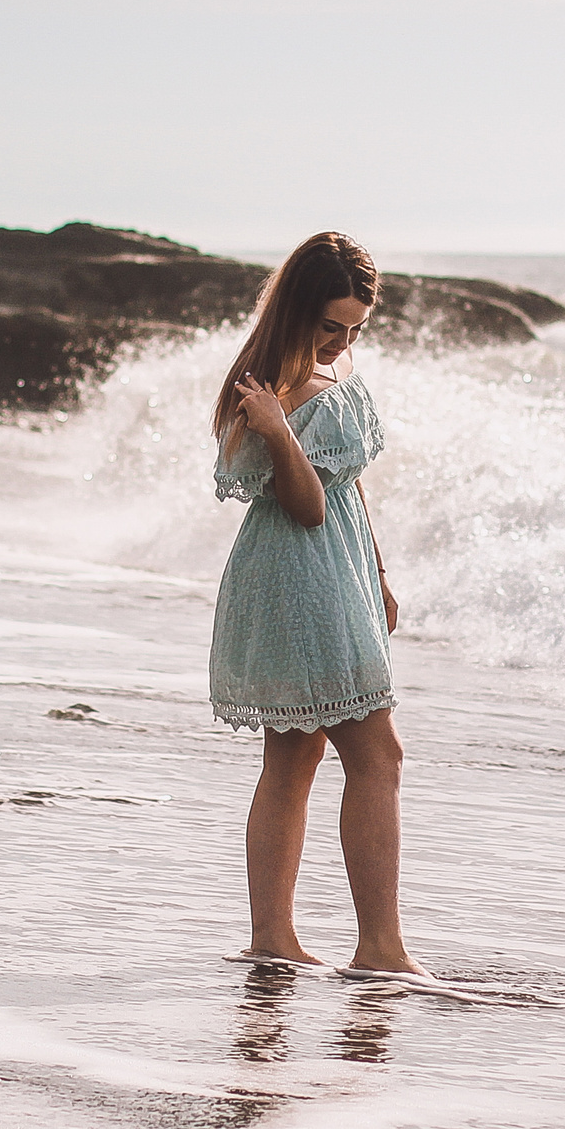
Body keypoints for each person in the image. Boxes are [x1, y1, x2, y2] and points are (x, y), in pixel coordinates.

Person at [210, 232, 426, 978]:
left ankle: (273, 936)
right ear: (297, 311)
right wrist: (275, 432)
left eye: (356, 330)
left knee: (293, 756)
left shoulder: (290, 380)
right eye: (329, 326)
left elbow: (344, 487)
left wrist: (378, 569)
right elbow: (305, 504)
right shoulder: (280, 395)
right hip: (305, 582)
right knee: (379, 758)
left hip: (311, 578)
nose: (341, 342)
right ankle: (381, 948)